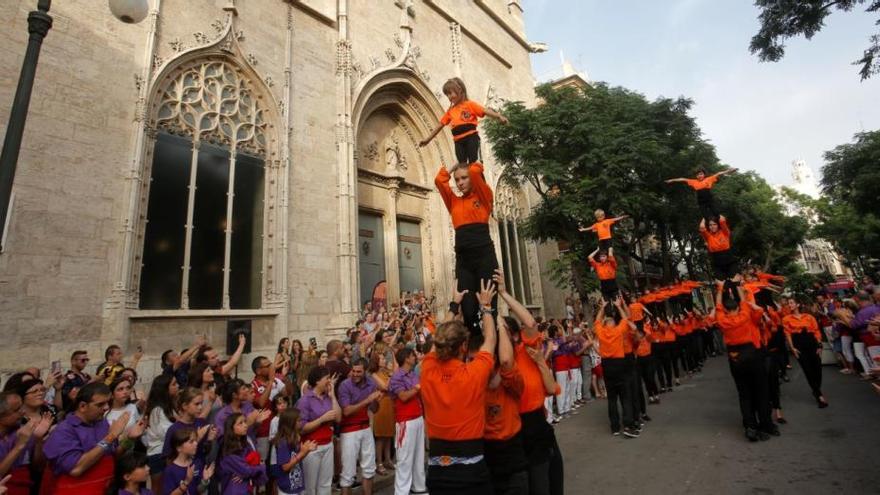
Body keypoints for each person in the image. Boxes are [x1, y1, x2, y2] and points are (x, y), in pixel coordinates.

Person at [420, 279, 496, 494]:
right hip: (471, 472)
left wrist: (454, 305)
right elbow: (490, 339)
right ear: (464, 346)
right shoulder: (473, 373)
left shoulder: (428, 370)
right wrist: (487, 307)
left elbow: (436, 341)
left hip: (437, 470)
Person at [495, 269, 563, 495]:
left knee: (548, 481)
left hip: (536, 426)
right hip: (513, 431)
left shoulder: (527, 351)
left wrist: (504, 294)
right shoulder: (497, 364)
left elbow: (530, 321)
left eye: (505, 333)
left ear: (515, 336)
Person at [43, 382, 146, 494]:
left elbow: (113, 454)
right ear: (82, 406)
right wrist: (111, 436)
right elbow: (76, 468)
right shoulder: (64, 430)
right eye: (100, 405)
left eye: (108, 403)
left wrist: (130, 438)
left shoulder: (101, 423)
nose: (106, 408)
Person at [435, 160, 498, 335]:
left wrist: (468, 163)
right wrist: (453, 167)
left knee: (490, 307)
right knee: (469, 311)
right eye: (457, 180)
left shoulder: (484, 197)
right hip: (464, 262)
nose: (460, 183)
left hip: (484, 257)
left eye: (464, 178)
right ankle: (474, 348)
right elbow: (439, 181)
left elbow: (477, 173)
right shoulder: (454, 202)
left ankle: (492, 351)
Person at [710, 280, 777, 441]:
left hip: (734, 358)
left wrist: (720, 289)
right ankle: (765, 425)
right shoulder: (745, 315)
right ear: (738, 308)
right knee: (761, 391)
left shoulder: (722, 321)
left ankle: (750, 427)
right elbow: (745, 302)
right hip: (751, 354)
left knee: (744, 394)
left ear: (726, 310)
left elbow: (718, 305)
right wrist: (739, 286)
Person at [484, 315, 529, 495]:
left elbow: (506, 362)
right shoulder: (476, 373)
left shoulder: (512, 374)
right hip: (486, 454)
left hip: (511, 454)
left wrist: (500, 327)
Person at [418, 77, 508, 164]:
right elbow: (440, 126)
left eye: (450, 93)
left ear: (460, 90)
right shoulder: (450, 111)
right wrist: (428, 139)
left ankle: (477, 176)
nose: (449, 97)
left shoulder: (470, 105)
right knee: (462, 164)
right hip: (458, 141)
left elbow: (485, 111)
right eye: (447, 95)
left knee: (473, 162)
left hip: (471, 137)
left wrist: (498, 116)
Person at [595, 296, 639, 438]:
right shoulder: (618, 331)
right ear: (613, 324)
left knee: (612, 398)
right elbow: (626, 319)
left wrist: (602, 307)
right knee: (625, 396)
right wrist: (619, 306)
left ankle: (614, 427)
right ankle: (628, 424)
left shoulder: (601, 332)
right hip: (619, 364)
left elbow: (596, 321)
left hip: (606, 365)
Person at [337, 359, 381, 495]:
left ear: (365, 372)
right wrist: (367, 400)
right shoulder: (345, 385)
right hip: (349, 431)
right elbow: (346, 411)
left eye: (359, 372)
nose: (355, 374)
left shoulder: (371, 383)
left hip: (366, 428)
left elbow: (374, 409)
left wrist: (375, 402)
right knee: (348, 473)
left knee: (369, 469)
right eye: (353, 371)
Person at [295, 367, 340, 495]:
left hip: (328, 444)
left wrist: (333, 397)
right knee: (310, 486)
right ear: (317, 381)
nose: (330, 381)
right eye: (327, 378)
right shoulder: (305, 400)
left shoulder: (327, 397)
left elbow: (338, 418)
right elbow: (301, 428)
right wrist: (322, 419)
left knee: (325, 484)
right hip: (311, 447)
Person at [388, 348, 426, 495]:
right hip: (405, 422)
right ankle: (401, 491)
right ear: (406, 358)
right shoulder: (397, 376)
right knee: (404, 458)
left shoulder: (412, 374)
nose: (415, 357)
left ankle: (419, 487)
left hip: (417, 418)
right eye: (412, 355)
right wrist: (417, 388)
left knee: (418, 456)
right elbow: (403, 396)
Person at [0, 391, 52, 495]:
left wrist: (38, 439)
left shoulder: (21, 431)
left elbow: (38, 466)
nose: (22, 412)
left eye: (21, 407)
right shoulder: (21, 437)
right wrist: (19, 446)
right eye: (16, 410)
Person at [782, 300, 829, 408]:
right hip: (799, 345)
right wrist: (792, 347)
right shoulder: (786, 319)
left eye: (792, 303)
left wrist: (819, 345)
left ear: (798, 304)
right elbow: (787, 334)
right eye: (788, 304)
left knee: (817, 369)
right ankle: (819, 395)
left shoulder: (808, 317)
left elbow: (816, 331)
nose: (790, 305)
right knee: (807, 370)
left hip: (812, 343)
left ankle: (816, 389)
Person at [141, 374, 179, 491]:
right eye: (173, 384)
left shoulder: (169, 407)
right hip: (159, 455)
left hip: (166, 453)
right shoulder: (158, 410)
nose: (177, 386)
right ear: (164, 389)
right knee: (158, 489)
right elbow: (167, 433)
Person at [270, 408, 317, 495]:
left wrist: (306, 451)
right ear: (291, 423)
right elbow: (285, 467)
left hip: (296, 484)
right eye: (299, 421)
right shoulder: (283, 442)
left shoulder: (295, 438)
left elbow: (296, 458)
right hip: (287, 487)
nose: (301, 422)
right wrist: (302, 453)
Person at [218, 413, 268, 494]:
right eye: (240, 423)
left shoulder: (246, 445)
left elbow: (250, 467)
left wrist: (247, 472)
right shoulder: (228, 451)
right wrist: (262, 467)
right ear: (231, 428)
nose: (245, 425)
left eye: (245, 422)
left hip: (246, 488)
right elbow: (247, 470)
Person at [665, 167, 737, 221]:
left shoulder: (708, 179)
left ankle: (719, 225)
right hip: (701, 202)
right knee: (706, 217)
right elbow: (682, 179)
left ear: (704, 174)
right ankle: (709, 228)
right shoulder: (694, 181)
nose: (699, 176)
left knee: (716, 213)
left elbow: (719, 173)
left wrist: (729, 171)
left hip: (709, 199)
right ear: (696, 176)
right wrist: (672, 180)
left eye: (701, 174)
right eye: (698, 175)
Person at [162, 427, 215, 495]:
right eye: (191, 442)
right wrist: (186, 482)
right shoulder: (170, 470)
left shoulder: (197, 463)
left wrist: (204, 481)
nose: (196, 444)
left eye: (196, 440)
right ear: (179, 448)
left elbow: (199, 490)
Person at [367, 351, 394, 475]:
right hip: (380, 406)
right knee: (380, 436)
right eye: (382, 359)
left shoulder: (385, 372)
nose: (384, 360)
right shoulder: (373, 374)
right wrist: (391, 376)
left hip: (389, 404)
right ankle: (379, 463)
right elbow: (385, 387)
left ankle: (388, 459)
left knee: (388, 435)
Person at [699, 215, 737, 282]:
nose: (712, 226)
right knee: (722, 286)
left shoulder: (725, 232)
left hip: (729, 261)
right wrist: (705, 216)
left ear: (718, 225)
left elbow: (722, 220)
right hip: (717, 263)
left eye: (714, 224)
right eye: (710, 225)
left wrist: (715, 212)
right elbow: (702, 227)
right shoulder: (708, 236)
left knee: (735, 283)